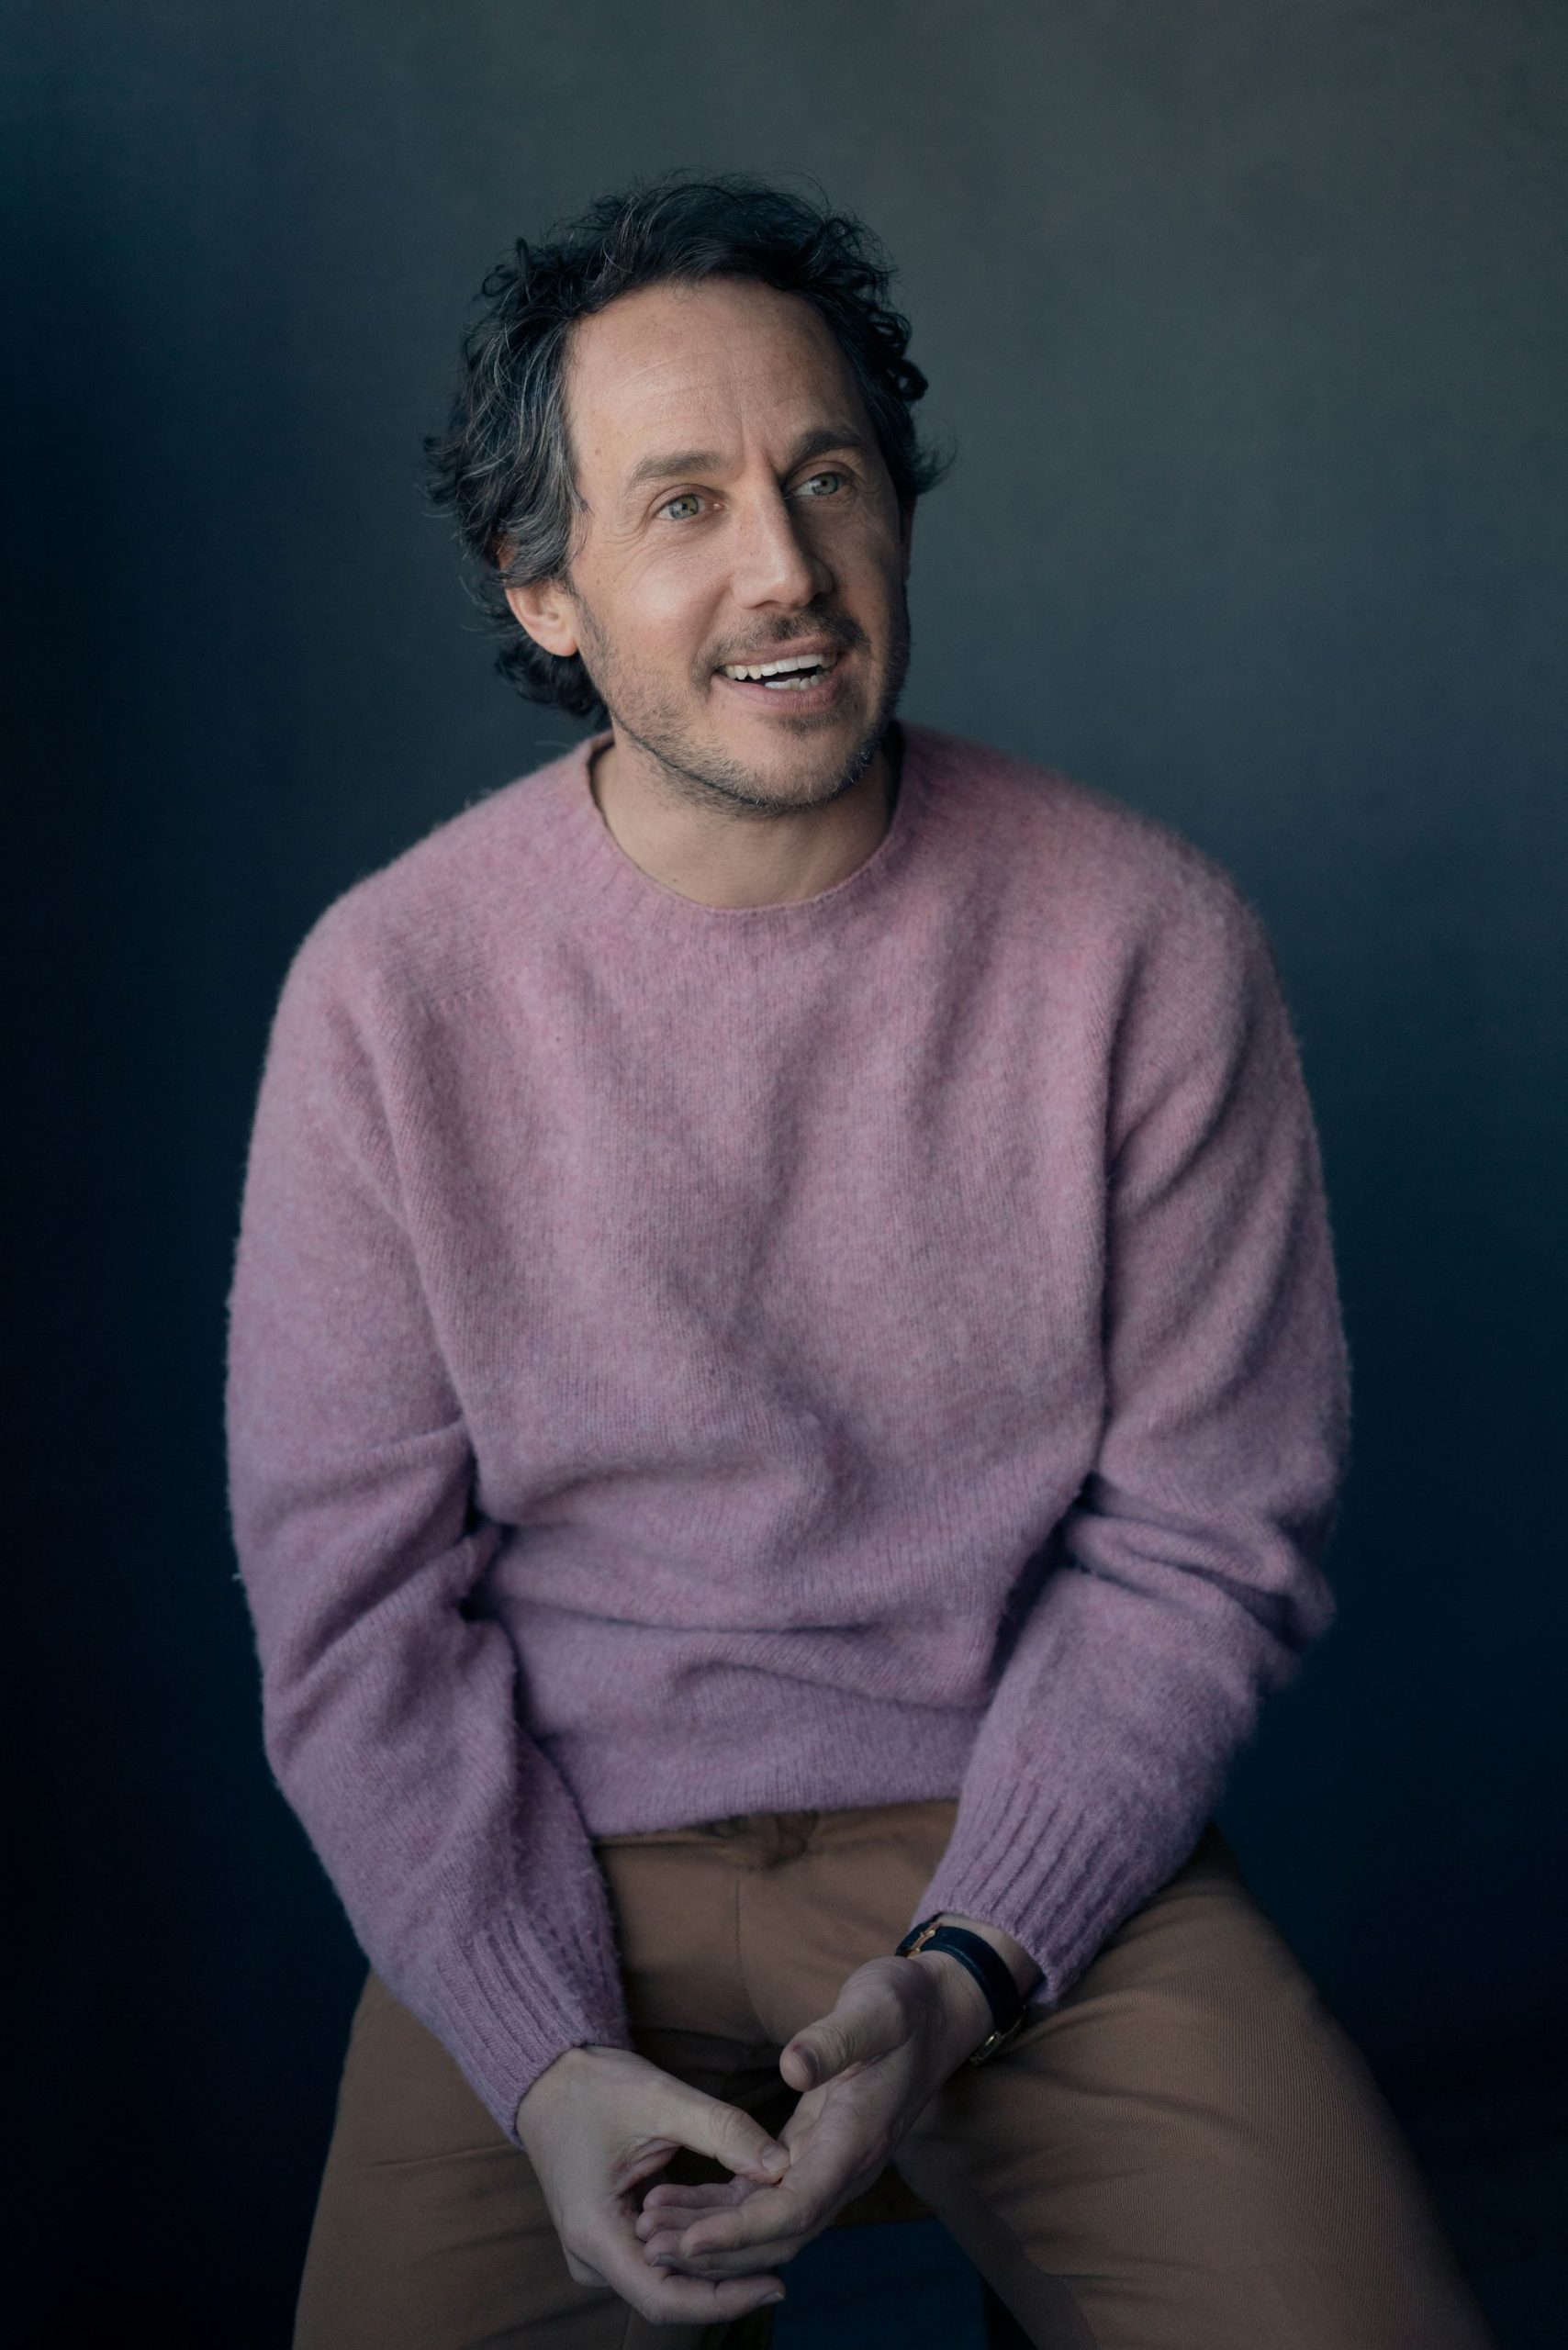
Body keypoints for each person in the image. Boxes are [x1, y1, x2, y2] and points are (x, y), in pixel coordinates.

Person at [225, 173, 1498, 2348]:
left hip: (1017, 1846)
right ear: (541, 588)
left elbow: (1203, 1533)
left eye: (824, 476)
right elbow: (357, 1618)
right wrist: (532, 2051)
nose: (784, 570)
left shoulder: (1142, 940)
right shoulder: (390, 990)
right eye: (681, 505)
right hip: (551, 1865)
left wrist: (971, 1959)